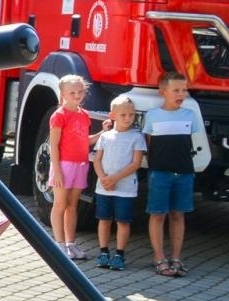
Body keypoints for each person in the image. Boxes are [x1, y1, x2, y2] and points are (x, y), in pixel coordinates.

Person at [144, 71, 203, 277]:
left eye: (184, 90)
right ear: (163, 92)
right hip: (159, 173)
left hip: (184, 173)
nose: (182, 93)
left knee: (178, 215)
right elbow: (149, 145)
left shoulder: (190, 115)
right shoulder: (153, 116)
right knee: (158, 214)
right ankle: (159, 257)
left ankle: (176, 257)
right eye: (176, 90)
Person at [91, 94, 145, 271]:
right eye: (123, 115)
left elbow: (136, 163)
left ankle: (120, 255)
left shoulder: (137, 137)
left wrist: (114, 178)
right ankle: (104, 252)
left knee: (123, 221)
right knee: (104, 219)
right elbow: (97, 159)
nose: (128, 118)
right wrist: (103, 178)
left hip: (125, 188)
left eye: (131, 115)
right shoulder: (105, 137)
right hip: (104, 187)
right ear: (112, 115)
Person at [48, 74, 94, 259]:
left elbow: (85, 141)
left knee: (72, 205)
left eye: (80, 91)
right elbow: (54, 145)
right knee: (60, 204)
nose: (77, 95)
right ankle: (59, 244)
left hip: (80, 165)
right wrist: (57, 170)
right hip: (64, 166)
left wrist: (102, 134)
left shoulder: (85, 115)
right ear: (63, 94)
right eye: (72, 92)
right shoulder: (59, 116)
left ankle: (71, 243)